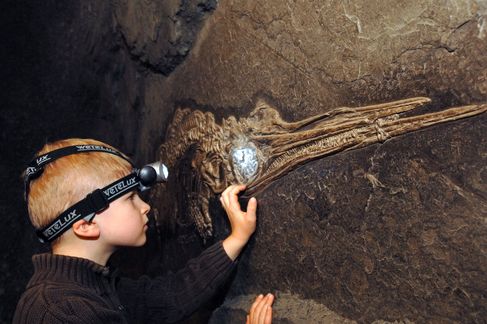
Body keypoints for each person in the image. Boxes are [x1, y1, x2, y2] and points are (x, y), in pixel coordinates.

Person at [13, 138, 273, 323]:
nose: (145, 207)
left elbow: (169, 298)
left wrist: (236, 238)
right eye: (130, 199)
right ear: (86, 225)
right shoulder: (59, 313)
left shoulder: (91, 286)